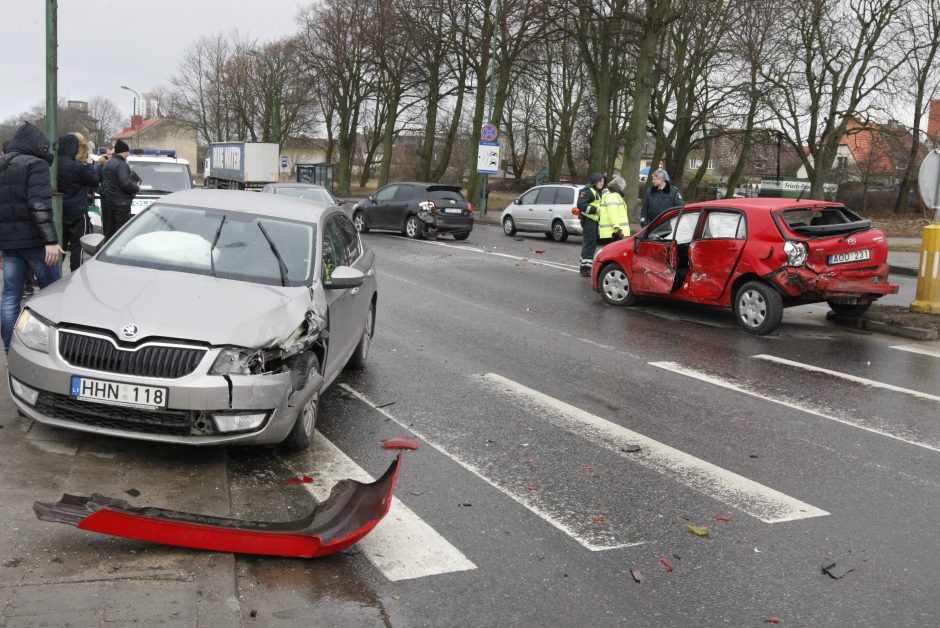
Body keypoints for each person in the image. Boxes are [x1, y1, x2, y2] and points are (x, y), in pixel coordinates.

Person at [0, 122, 62, 353]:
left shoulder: (2, 164)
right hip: (36, 243)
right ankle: (50, 350)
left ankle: (9, 350)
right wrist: (51, 241)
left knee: (9, 297)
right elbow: (39, 205)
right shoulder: (36, 165)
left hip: (9, 244)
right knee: (53, 295)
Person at [57, 132, 99, 271]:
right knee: (77, 246)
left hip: (59, 211)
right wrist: (89, 164)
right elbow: (94, 181)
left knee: (59, 245)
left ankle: (54, 274)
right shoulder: (78, 167)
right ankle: (75, 274)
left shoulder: (53, 164)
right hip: (77, 211)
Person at [100, 139, 140, 239]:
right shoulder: (122, 165)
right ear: (123, 152)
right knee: (121, 233)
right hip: (122, 204)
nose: (128, 154)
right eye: (127, 152)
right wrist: (136, 188)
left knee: (110, 232)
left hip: (110, 203)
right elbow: (125, 183)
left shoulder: (107, 164)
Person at [576, 172, 605, 276]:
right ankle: (585, 269)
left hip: (594, 221)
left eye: (603, 181)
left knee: (592, 244)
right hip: (588, 220)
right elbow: (581, 204)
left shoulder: (597, 191)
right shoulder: (587, 191)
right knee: (589, 244)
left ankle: (586, 266)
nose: (602, 183)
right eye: (600, 181)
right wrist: (595, 210)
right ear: (595, 181)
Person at [598, 175, 631, 246]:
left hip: (610, 232)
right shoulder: (613, 196)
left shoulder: (610, 194)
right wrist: (617, 228)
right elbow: (613, 213)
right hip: (613, 232)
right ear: (619, 187)